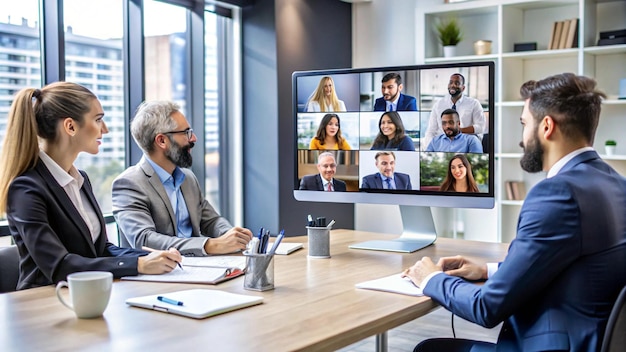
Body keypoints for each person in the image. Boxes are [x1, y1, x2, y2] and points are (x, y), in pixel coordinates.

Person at [403, 73, 626, 352]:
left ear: (546, 127)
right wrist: (487, 270)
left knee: (430, 349)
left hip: (551, 345)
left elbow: (486, 308)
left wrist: (430, 278)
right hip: (587, 337)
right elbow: (568, 261)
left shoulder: (557, 194)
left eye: (524, 124)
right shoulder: (616, 183)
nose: (522, 138)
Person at [0, 82, 181, 290]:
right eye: (98, 119)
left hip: (87, 295)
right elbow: (59, 266)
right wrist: (138, 264)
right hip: (45, 301)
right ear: (70, 126)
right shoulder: (26, 189)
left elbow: (101, 249)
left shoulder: (81, 179)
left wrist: (149, 256)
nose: (105, 129)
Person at [112, 101, 253, 257]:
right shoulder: (129, 184)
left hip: (199, 267)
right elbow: (145, 240)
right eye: (186, 133)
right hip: (159, 276)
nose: (193, 138)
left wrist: (233, 236)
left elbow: (210, 221)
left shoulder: (188, 178)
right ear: (162, 141)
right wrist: (209, 245)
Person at [423, 73, 486, 148]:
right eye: (451, 82)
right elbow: (431, 131)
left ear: (463, 88)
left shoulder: (474, 103)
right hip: (442, 146)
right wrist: (430, 148)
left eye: (457, 83)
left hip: (464, 145)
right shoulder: (438, 105)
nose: (453, 85)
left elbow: (480, 127)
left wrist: (458, 130)